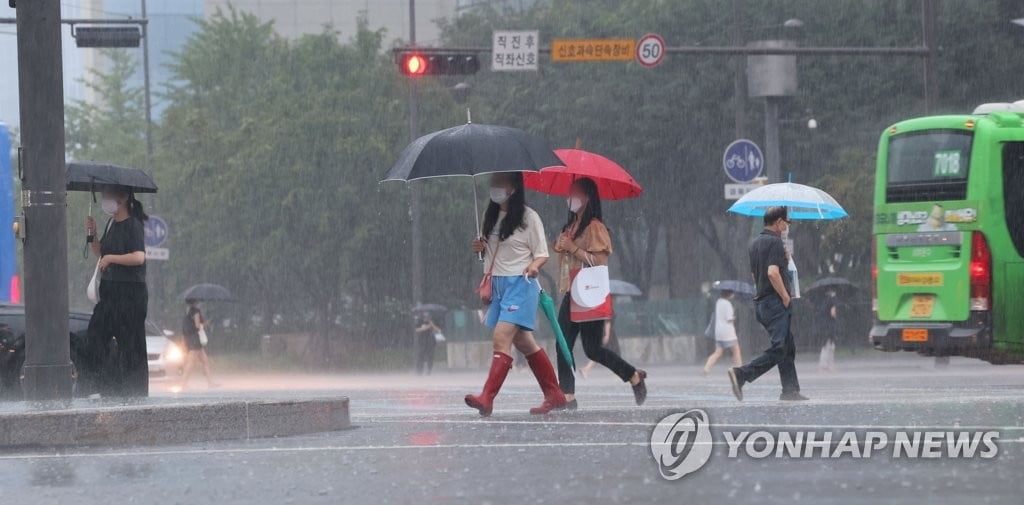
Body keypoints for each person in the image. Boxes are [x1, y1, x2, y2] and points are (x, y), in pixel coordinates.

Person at [465, 172, 566, 416]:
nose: (495, 188)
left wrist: (534, 267)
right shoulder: (489, 216)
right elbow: (489, 255)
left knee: (501, 338)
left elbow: (542, 253)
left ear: (513, 187)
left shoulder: (529, 217)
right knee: (523, 342)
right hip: (498, 285)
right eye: (494, 183)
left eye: (501, 183)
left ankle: (487, 398)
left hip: (521, 283)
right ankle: (555, 394)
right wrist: (479, 248)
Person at [553, 178, 647, 411]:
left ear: (586, 197)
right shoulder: (570, 226)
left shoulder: (595, 227)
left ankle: (633, 375)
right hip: (571, 292)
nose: (569, 198)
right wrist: (563, 243)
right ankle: (567, 396)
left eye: (574, 193)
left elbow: (600, 261)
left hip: (588, 293)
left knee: (592, 350)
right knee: (562, 343)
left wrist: (572, 248)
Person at [728, 206, 808, 402]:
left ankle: (790, 390)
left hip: (762, 303)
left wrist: (785, 259)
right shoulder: (775, 243)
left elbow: (757, 275)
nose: (787, 226)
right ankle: (742, 374)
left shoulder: (755, 244)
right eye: (786, 223)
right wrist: (785, 296)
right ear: (779, 222)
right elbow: (772, 273)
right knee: (780, 348)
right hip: (775, 302)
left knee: (787, 346)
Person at [84, 186, 149, 397]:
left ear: (122, 199)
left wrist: (112, 259)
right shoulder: (111, 223)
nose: (104, 200)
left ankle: (133, 391)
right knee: (95, 336)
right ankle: (106, 386)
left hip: (130, 293)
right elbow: (101, 253)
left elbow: (139, 257)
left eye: (107, 196)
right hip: (110, 292)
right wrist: (92, 235)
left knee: (131, 344)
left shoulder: (133, 225)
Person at [179, 298, 219, 390]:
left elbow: (188, 325)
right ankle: (183, 384)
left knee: (204, 360)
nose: (201, 303)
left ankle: (210, 382)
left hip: (189, 338)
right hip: (194, 339)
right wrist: (206, 324)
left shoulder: (188, 311)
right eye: (199, 301)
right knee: (191, 362)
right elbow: (197, 325)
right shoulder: (196, 311)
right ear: (196, 303)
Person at [703, 290, 743, 375]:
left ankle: (706, 368)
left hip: (719, 332)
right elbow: (729, 319)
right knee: (736, 351)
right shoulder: (727, 304)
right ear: (729, 294)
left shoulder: (719, 302)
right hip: (728, 333)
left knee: (717, 353)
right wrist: (734, 316)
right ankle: (740, 370)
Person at [817, 288, 838, 372]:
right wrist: (837, 316)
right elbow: (833, 313)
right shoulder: (833, 300)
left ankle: (825, 365)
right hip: (830, 325)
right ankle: (826, 365)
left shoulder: (824, 300)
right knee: (830, 345)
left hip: (823, 325)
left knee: (826, 345)